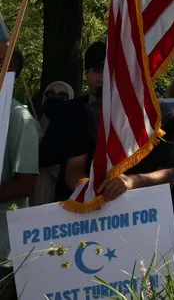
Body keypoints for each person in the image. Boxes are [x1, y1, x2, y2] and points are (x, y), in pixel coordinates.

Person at [0, 47, 43, 299]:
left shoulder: (20, 118)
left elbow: (26, 184)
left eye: (4, 65)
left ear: (13, 74)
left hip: (4, 254)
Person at [39, 41, 105, 201]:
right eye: (97, 71)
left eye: (108, 71)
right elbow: (45, 156)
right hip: (70, 203)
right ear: (86, 73)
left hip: (117, 205)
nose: (102, 78)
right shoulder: (67, 111)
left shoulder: (126, 114)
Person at [33, 81, 73, 205]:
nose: (55, 98)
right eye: (51, 94)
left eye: (61, 96)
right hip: (33, 196)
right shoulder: (30, 128)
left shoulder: (76, 133)